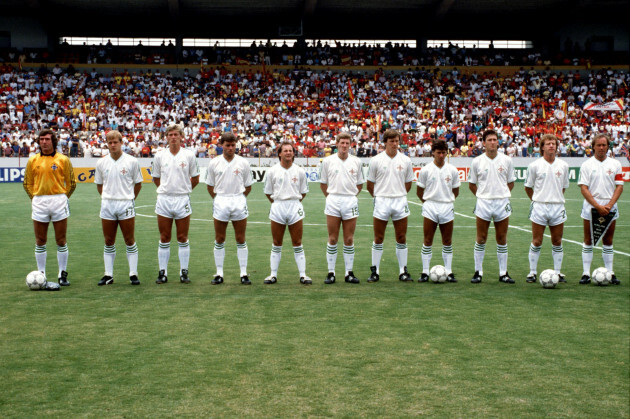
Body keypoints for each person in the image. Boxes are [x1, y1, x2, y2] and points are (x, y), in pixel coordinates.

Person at [23, 129, 76, 288]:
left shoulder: (63, 159)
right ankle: (41, 274)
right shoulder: (33, 160)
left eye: (47, 139)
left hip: (58, 200)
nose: (44, 142)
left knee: (61, 240)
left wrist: (63, 197)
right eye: (41, 139)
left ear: (53, 141)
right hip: (39, 201)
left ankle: (62, 273)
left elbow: (71, 183)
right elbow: (27, 184)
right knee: (40, 240)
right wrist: (36, 198)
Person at [151, 124, 200, 284]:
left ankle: (183, 272)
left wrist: (183, 190)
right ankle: (162, 272)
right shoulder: (159, 156)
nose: (173, 137)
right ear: (167, 137)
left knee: (182, 237)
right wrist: (166, 190)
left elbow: (196, 178)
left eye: (176, 134)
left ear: (181, 136)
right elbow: (156, 178)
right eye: (170, 134)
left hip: (182, 199)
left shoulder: (189, 155)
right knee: (164, 237)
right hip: (164, 199)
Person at [94, 130, 143, 286]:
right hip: (107, 204)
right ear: (107, 144)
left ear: (122, 142)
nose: (113, 145)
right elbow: (99, 185)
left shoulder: (132, 161)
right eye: (110, 142)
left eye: (116, 142)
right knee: (109, 241)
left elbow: (138, 184)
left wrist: (129, 198)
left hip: (125, 203)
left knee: (129, 240)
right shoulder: (101, 163)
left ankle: (133, 274)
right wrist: (108, 197)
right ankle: (108, 275)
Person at [468, 129, 516, 284]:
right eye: (489, 140)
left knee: (502, 238)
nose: (493, 142)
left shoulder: (507, 160)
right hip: (484, 203)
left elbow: (511, 183)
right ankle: (478, 271)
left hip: (502, 202)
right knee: (481, 238)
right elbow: (471, 184)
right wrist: (482, 196)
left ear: (498, 142)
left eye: (495, 139)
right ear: (484, 143)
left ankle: (503, 273)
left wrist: (501, 194)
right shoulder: (477, 161)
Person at [366, 129, 414, 283]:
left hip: (400, 201)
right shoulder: (376, 160)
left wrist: (398, 193)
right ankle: (375, 270)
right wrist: (380, 196)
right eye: (392, 141)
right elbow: (370, 185)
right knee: (378, 238)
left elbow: (408, 184)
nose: (395, 144)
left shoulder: (405, 160)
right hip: (382, 201)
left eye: (397, 141)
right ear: (385, 142)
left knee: (401, 237)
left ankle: (403, 271)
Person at [206, 132, 254, 285]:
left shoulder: (243, 163)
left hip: (238, 200)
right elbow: (210, 185)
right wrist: (218, 199)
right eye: (227, 145)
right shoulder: (214, 163)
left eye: (233, 145)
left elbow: (248, 186)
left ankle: (244, 273)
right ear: (222, 146)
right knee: (220, 238)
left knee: (240, 238)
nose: (230, 148)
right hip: (221, 199)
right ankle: (219, 273)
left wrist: (238, 198)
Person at [578, 133, 624, 284]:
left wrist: (609, 205)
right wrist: (597, 206)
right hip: (591, 207)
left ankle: (610, 273)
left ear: (608, 147)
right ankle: (586, 274)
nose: (602, 148)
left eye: (604, 145)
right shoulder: (586, 165)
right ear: (593, 147)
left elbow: (619, 187)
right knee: (588, 239)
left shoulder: (616, 164)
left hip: (610, 207)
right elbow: (584, 188)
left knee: (608, 240)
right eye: (599, 145)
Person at [319, 132, 364, 284]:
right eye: (342, 143)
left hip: (350, 201)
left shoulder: (356, 162)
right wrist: (332, 197)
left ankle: (348, 272)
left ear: (350, 145)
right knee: (332, 238)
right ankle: (331, 272)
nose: (344, 146)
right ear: (337, 144)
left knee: (349, 239)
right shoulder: (327, 161)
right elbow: (323, 184)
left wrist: (350, 196)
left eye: (347, 143)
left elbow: (359, 184)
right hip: (333, 200)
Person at [524, 134, 569, 283]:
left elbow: (563, 187)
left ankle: (557, 272)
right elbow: (528, 187)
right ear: (542, 147)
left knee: (557, 241)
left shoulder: (563, 166)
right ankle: (532, 272)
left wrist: (554, 199)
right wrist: (537, 200)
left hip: (557, 207)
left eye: (554, 144)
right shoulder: (534, 165)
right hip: (539, 207)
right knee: (537, 241)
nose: (551, 146)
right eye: (548, 143)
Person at [263, 142, 310, 284]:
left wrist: (293, 202)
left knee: (297, 242)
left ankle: (303, 275)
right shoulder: (272, 171)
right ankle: (273, 275)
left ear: (293, 153)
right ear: (279, 153)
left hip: (295, 206)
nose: (288, 153)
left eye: (290, 150)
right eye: (285, 151)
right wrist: (278, 203)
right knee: (276, 242)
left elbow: (303, 192)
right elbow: (268, 192)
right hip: (278, 206)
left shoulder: (300, 171)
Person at [416, 140, 460, 282]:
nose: (441, 155)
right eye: (438, 152)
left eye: (443, 152)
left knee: (447, 240)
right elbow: (419, 191)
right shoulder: (426, 170)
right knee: (428, 240)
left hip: (447, 206)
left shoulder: (452, 170)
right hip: (430, 206)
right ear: (433, 153)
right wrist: (428, 203)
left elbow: (456, 190)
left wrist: (446, 199)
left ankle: (449, 271)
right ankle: (424, 272)